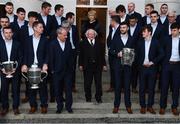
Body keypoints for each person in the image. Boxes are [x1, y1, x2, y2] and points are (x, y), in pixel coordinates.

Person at [21, 21, 48, 114]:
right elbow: (24, 53)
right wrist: (24, 64)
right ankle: (33, 106)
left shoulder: (45, 40)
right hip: (30, 67)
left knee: (43, 88)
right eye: (40, 27)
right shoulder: (27, 39)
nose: (42, 29)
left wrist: (45, 63)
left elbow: (47, 54)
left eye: (42, 27)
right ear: (35, 28)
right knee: (30, 88)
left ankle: (44, 106)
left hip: (41, 67)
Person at [136, 25, 164, 114]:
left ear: (149, 32)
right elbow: (136, 56)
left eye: (144, 31)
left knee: (151, 88)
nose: (142, 33)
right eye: (142, 31)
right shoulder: (139, 42)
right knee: (142, 88)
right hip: (142, 68)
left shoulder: (156, 42)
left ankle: (150, 106)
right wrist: (141, 63)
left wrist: (153, 62)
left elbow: (161, 54)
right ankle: (143, 106)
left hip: (152, 68)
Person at [110, 22, 134, 114]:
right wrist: (117, 54)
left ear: (127, 28)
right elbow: (111, 50)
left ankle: (128, 106)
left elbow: (135, 51)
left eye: (124, 27)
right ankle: (116, 106)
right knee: (117, 87)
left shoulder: (131, 39)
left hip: (128, 66)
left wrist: (131, 55)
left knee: (127, 87)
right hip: (117, 66)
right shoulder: (115, 38)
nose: (122, 29)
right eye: (121, 28)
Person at [49, 27, 73, 113]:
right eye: (64, 35)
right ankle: (59, 107)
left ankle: (69, 107)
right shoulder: (52, 44)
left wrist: (71, 69)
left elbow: (71, 57)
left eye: (66, 35)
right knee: (58, 90)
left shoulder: (68, 43)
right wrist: (52, 70)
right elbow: (51, 58)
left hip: (67, 71)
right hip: (56, 71)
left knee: (68, 90)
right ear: (58, 35)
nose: (66, 37)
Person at [79, 29, 107, 103]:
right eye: (89, 34)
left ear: (95, 35)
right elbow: (81, 55)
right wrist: (80, 64)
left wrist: (104, 64)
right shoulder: (82, 43)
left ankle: (98, 97)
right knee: (87, 83)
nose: (91, 35)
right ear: (87, 35)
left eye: (92, 34)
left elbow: (102, 55)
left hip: (98, 66)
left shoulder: (100, 43)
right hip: (87, 66)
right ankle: (88, 97)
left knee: (98, 83)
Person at [0, 26, 22, 116]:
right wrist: (1, 68)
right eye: (6, 33)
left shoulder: (17, 44)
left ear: (12, 33)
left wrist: (15, 68)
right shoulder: (0, 44)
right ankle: (5, 107)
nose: (8, 34)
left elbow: (20, 57)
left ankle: (15, 107)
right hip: (3, 71)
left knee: (16, 90)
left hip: (15, 71)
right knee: (4, 90)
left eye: (10, 32)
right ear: (3, 34)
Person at [160, 22, 180, 116]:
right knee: (164, 87)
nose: (173, 32)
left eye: (175, 30)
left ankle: (174, 107)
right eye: (172, 30)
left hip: (177, 66)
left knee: (176, 88)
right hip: (167, 65)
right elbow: (161, 52)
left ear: (179, 30)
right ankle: (162, 107)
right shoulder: (166, 39)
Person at [19, 11, 39, 103]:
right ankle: (28, 95)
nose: (37, 20)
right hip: (27, 56)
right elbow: (21, 43)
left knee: (38, 78)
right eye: (35, 18)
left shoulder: (39, 28)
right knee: (28, 79)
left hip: (37, 57)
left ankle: (37, 95)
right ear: (30, 18)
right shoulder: (23, 28)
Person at [128, 14, 142, 93]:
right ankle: (126, 86)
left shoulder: (140, 28)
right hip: (128, 51)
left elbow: (141, 40)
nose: (131, 23)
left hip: (137, 52)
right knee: (127, 69)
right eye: (130, 21)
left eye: (133, 21)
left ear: (136, 20)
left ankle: (134, 87)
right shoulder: (126, 27)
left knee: (135, 71)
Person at [66, 12, 79, 92]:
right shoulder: (63, 27)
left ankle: (72, 86)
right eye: (73, 19)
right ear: (69, 19)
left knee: (73, 69)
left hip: (73, 51)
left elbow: (77, 39)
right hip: (65, 51)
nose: (73, 20)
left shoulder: (74, 28)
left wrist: (77, 49)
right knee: (65, 68)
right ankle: (65, 86)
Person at [106, 15, 120, 92]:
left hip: (118, 54)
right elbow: (109, 39)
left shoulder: (121, 29)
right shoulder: (112, 28)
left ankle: (119, 87)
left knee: (118, 71)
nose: (110, 22)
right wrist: (109, 48)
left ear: (114, 21)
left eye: (111, 21)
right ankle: (112, 86)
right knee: (112, 70)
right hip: (111, 53)